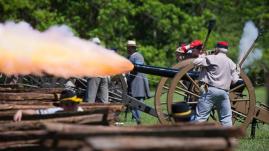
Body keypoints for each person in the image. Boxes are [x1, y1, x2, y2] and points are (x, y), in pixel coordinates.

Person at [193, 41, 239, 127]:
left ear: (217, 49)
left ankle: (196, 138)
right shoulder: (231, 63)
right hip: (224, 93)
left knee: (201, 117)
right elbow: (235, 80)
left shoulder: (211, 58)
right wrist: (238, 72)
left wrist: (202, 56)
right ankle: (229, 138)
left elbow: (195, 62)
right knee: (226, 118)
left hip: (209, 91)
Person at [13, 89, 83, 122]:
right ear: (61, 106)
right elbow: (35, 112)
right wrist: (21, 111)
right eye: (67, 104)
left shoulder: (81, 112)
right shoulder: (55, 112)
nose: (71, 106)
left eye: (74, 103)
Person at [126, 40, 150, 124]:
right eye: (127, 47)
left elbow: (138, 67)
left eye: (129, 47)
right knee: (133, 101)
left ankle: (138, 119)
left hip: (138, 82)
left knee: (138, 102)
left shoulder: (138, 56)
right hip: (133, 82)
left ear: (133, 48)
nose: (127, 49)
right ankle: (135, 119)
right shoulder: (130, 56)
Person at [84, 37, 109, 103]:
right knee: (104, 99)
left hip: (94, 75)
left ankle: (89, 111)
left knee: (90, 98)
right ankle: (105, 111)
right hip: (104, 76)